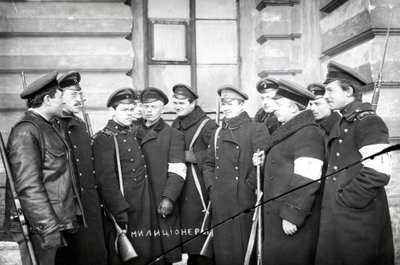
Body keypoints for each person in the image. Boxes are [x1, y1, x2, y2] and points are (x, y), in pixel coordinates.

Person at [315, 61, 394, 265]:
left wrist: (347, 200)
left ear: (348, 91)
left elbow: (379, 171)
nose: (326, 96)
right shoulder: (345, 120)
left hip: (358, 217)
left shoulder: (369, 121)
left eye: (330, 90)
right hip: (342, 218)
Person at [4, 71, 84, 265]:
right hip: (39, 227)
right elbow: (28, 186)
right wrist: (47, 227)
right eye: (59, 98)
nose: (63, 102)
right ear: (48, 99)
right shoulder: (26, 131)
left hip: (54, 222)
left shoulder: (48, 126)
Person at [253, 79, 325, 265]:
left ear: (294, 108)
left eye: (278, 103)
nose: (274, 107)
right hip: (278, 215)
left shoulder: (308, 133)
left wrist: (293, 215)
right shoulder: (290, 131)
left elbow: (307, 178)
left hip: (290, 220)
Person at [92, 88, 162, 265]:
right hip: (125, 208)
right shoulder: (104, 138)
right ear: (112, 111)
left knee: (147, 255)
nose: (129, 114)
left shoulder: (135, 132)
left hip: (144, 203)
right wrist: (119, 211)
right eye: (124, 110)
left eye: (131, 109)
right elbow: (106, 179)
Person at [203, 85, 269, 265]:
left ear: (241, 105)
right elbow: (209, 163)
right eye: (223, 104)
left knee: (244, 252)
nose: (226, 108)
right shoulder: (217, 132)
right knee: (224, 252)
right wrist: (212, 187)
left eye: (230, 103)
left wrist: (247, 189)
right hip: (220, 200)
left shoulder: (256, 129)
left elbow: (263, 165)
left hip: (244, 201)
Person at [52, 71, 108, 265]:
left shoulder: (79, 125)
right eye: (72, 94)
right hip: (67, 210)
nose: (79, 99)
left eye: (79, 94)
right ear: (58, 97)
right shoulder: (51, 128)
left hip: (89, 208)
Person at [135, 87, 186, 264]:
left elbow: (178, 170)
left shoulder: (173, 135)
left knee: (162, 252)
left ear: (162, 109)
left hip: (160, 199)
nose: (149, 111)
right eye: (145, 106)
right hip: (137, 200)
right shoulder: (130, 132)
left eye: (154, 107)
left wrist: (169, 198)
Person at [171, 84, 217, 265]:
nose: (177, 106)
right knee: (189, 243)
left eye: (181, 102)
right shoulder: (176, 123)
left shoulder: (208, 125)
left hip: (199, 191)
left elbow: (219, 153)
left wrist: (193, 156)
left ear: (193, 103)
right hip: (182, 190)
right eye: (175, 102)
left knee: (201, 243)